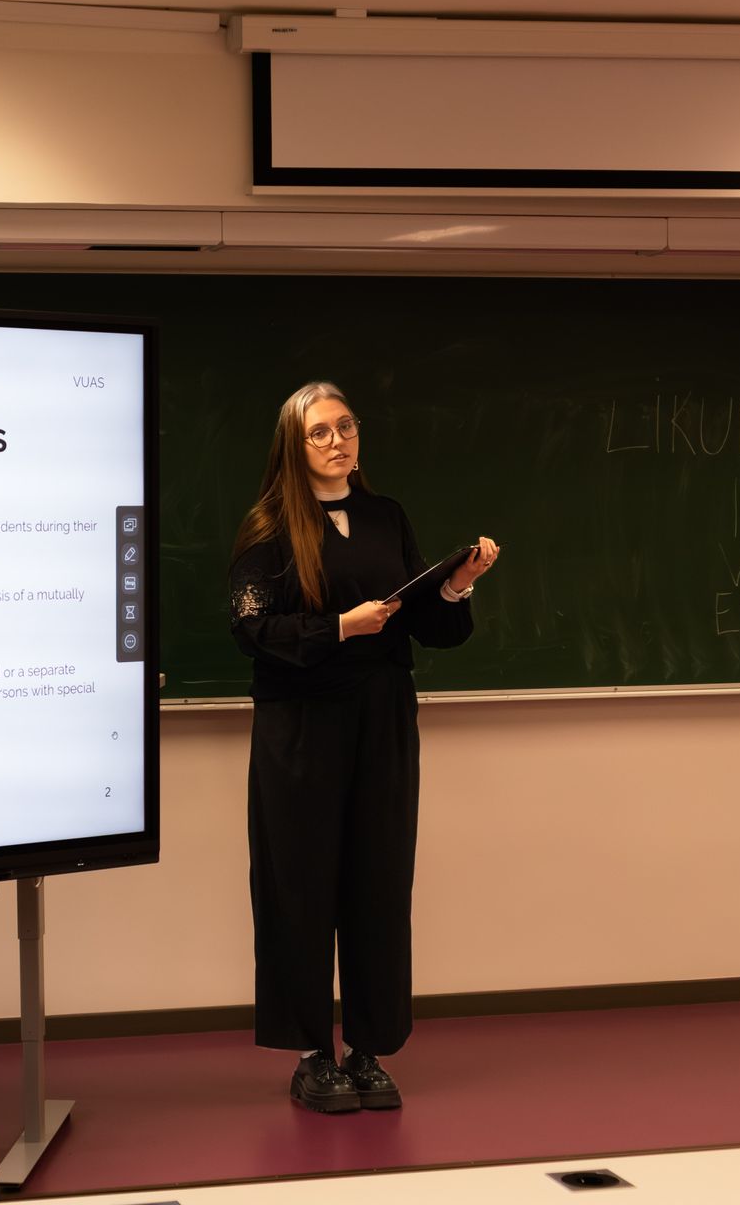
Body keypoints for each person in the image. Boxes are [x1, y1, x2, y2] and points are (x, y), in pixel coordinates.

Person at [229, 381, 499, 1114]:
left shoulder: (386, 516)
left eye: (346, 426)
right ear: (293, 446)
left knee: (379, 879)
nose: (338, 441)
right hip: (301, 724)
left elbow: (427, 627)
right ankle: (312, 1053)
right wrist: (339, 628)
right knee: (299, 883)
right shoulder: (268, 526)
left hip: (382, 717)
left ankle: (369, 1050)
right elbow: (251, 630)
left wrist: (457, 586)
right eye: (320, 432)